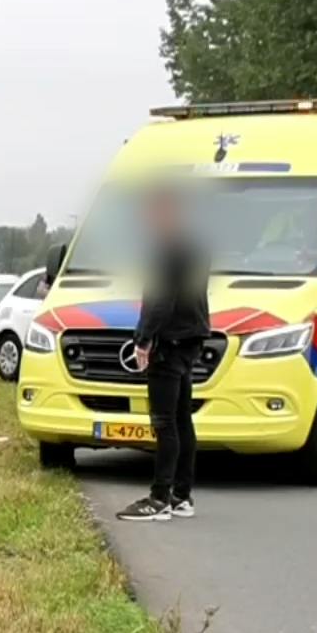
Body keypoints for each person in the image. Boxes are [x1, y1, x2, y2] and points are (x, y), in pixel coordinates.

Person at [119, 186, 210, 523]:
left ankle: (160, 497)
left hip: (168, 342)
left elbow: (160, 300)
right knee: (182, 419)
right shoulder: (194, 248)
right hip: (190, 339)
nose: (148, 219)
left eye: (152, 212)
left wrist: (143, 340)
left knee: (164, 422)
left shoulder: (166, 250)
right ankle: (182, 495)